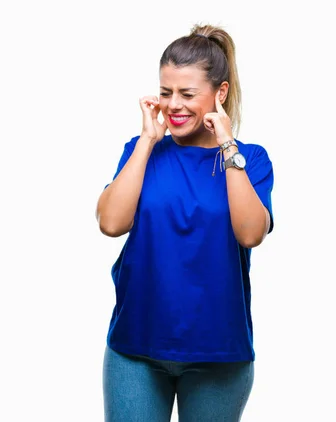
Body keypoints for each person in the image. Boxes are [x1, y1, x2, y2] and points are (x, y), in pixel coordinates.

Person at [95, 23, 274, 421]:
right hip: (135, 348)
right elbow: (110, 222)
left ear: (220, 93)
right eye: (165, 92)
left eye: (187, 94)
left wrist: (228, 144)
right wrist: (146, 141)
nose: (173, 104)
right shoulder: (141, 152)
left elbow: (250, 233)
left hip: (219, 353)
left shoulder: (250, 160)